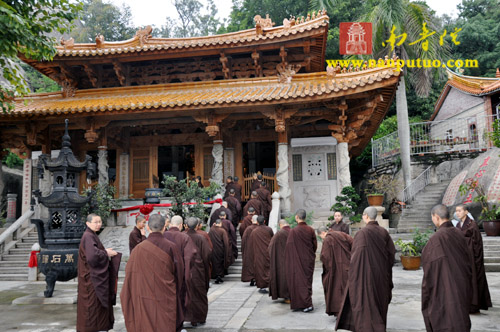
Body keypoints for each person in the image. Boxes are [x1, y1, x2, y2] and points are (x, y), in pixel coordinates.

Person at [120, 214, 184, 332]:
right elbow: (180, 275)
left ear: (148, 228)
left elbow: (130, 277)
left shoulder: (137, 250)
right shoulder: (172, 247)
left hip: (144, 299)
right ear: (164, 227)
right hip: (166, 298)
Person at [336, 207, 395, 332]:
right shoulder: (383, 232)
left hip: (365, 275)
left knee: (366, 303)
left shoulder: (362, 233)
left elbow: (356, 258)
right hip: (381, 275)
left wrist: (353, 274)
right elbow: (391, 254)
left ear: (366, 216)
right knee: (379, 302)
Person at [421, 204, 472, 332]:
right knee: (460, 317)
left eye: (432, 217)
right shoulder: (459, 234)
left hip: (444, 287)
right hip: (461, 284)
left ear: (436, 217)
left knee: (447, 318)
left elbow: (429, 270)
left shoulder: (435, 240)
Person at [77, 214, 121, 332]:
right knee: (94, 307)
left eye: (100, 222)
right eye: (95, 222)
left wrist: (105, 252)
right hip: (92, 281)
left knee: (97, 307)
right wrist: (106, 253)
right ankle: (95, 329)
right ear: (88, 223)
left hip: (93, 278)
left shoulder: (92, 235)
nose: (98, 224)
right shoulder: (88, 236)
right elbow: (92, 257)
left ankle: (99, 327)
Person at [455, 204, 492, 312]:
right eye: (456, 211)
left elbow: (477, 243)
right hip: (461, 258)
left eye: (460, 211)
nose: (458, 213)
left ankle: (474, 305)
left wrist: (464, 242)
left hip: (472, 258)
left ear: (466, 212)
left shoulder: (472, 225)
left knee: (474, 280)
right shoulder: (457, 225)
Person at [164, 215, 197, 329]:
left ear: (170, 224)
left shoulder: (163, 235)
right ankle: (178, 325)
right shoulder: (184, 237)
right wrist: (187, 273)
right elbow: (190, 257)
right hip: (180, 274)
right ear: (181, 225)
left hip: (164, 274)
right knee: (180, 298)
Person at [285, 209, 317, 313]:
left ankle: (307, 304)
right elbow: (314, 246)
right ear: (305, 217)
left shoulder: (293, 231)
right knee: (307, 282)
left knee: (298, 282)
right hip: (308, 260)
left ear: (296, 217)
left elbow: (289, 247)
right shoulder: (310, 230)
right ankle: (300, 304)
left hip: (297, 261)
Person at [318, 226, 353, 317]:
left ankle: (339, 312)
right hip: (347, 267)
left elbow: (325, 256)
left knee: (335, 291)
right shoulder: (342, 234)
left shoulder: (327, 240)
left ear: (323, 233)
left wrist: (328, 268)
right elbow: (353, 243)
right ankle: (349, 311)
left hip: (334, 270)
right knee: (346, 290)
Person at [185, 217, 212, 327]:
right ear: (197, 226)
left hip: (185, 269)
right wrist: (206, 268)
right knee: (199, 294)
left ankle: (186, 317)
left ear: (185, 226)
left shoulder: (182, 236)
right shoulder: (201, 238)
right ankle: (199, 318)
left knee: (186, 293)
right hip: (198, 269)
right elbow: (207, 254)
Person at [250, 215, 274, 293]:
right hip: (268, 252)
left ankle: (262, 287)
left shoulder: (254, 231)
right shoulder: (269, 229)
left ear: (257, 222)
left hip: (259, 253)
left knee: (260, 270)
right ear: (264, 221)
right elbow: (272, 239)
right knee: (269, 269)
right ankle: (270, 284)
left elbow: (252, 243)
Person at [268, 219, 291, 302]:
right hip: (293, 260)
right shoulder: (293, 232)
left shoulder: (279, 233)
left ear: (280, 225)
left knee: (283, 278)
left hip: (281, 260)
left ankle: (286, 296)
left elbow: (271, 247)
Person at [209, 219, 231, 284]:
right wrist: (227, 250)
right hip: (220, 249)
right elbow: (226, 242)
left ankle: (216, 275)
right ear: (220, 224)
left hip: (213, 249)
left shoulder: (211, 230)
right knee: (220, 263)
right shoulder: (222, 231)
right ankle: (219, 276)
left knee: (215, 263)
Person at [241, 215, 259, 286]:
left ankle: (252, 279)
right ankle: (257, 279)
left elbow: (243, 240)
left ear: (252, 220)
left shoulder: (248, 229)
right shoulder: (260, 229)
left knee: (251, 265)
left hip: (249, 249)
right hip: (258, 250)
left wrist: (244, 249)